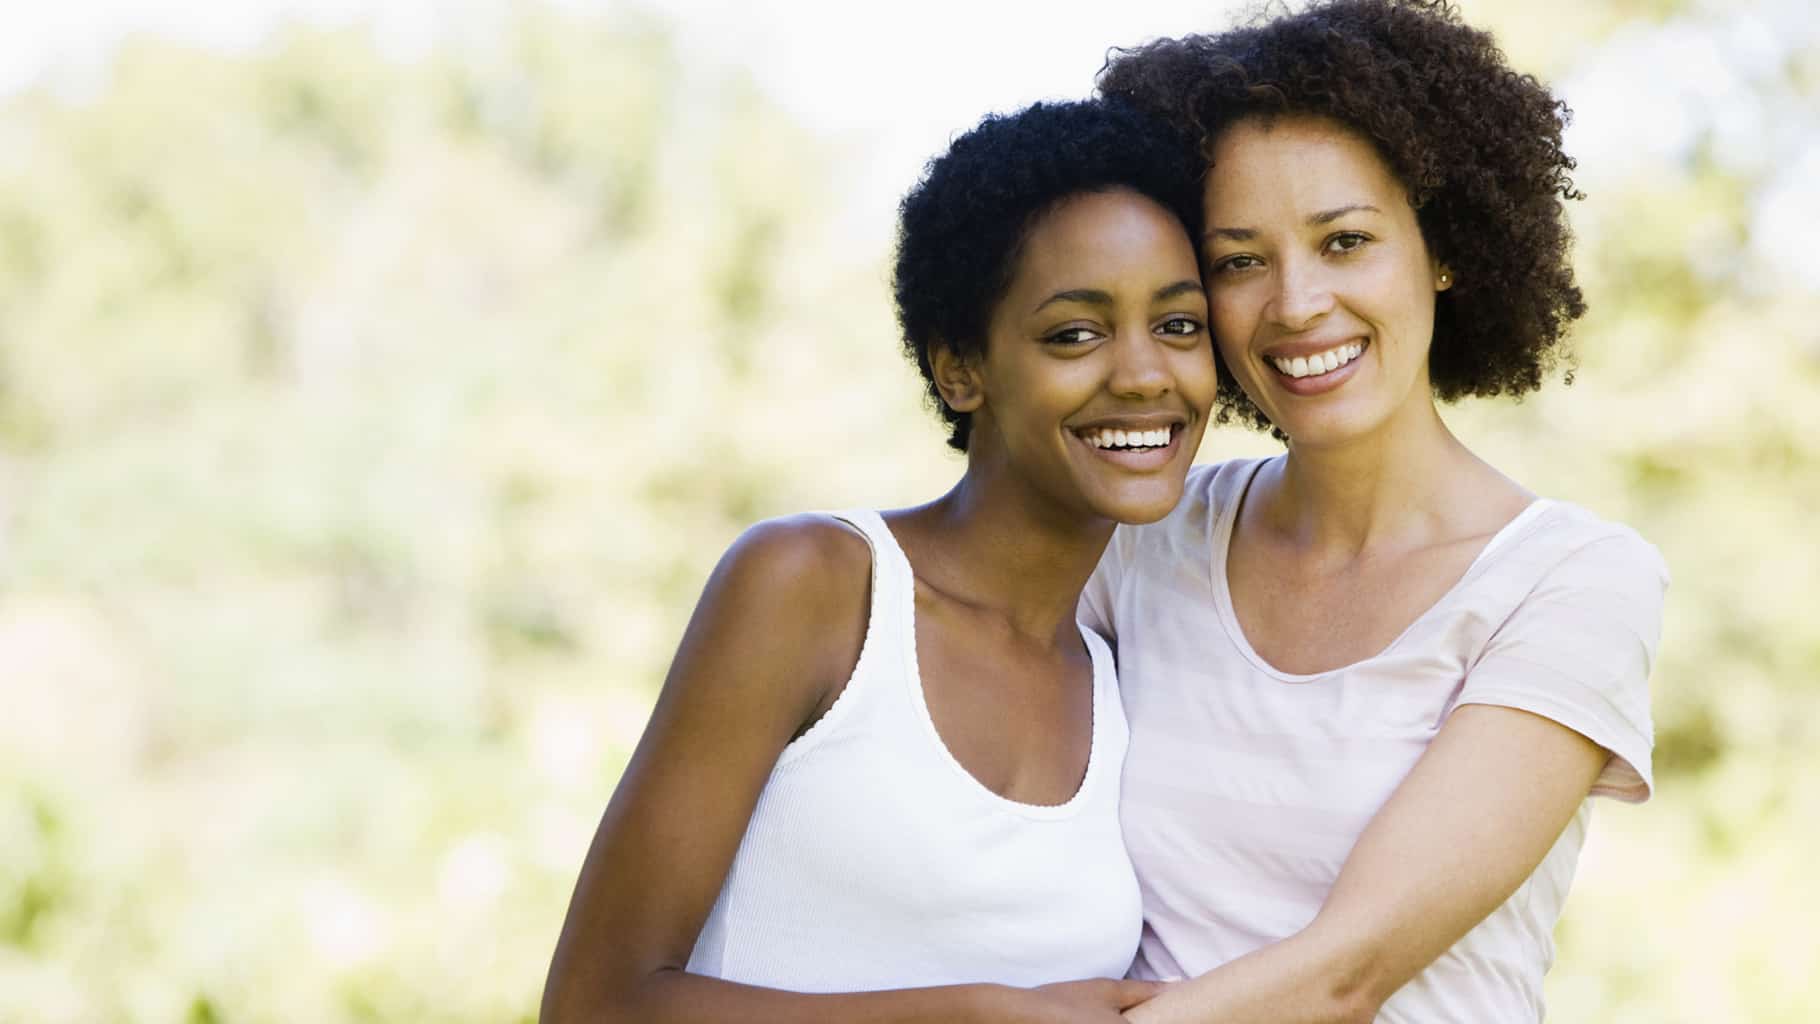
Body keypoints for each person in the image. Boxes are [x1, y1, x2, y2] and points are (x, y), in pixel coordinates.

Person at [540, 99, 1220, 1023]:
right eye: (1075, 333)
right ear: (958, 368)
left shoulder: (1120, 675)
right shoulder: (816, 587)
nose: (1145, 375)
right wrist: (973, 1014)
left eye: (1179, 326)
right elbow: (595, 1004)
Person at [1084, 1, 1669, 1021]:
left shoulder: (1568, 579)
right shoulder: (1145, 541)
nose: (1295, 303)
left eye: (1343, 241)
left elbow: (1345, 973)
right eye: (1237, 261)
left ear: (1438, 249)